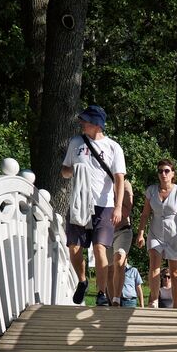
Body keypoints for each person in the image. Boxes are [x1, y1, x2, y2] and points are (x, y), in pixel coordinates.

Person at [61, 105, 127, 306]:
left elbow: (119, 179)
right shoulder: (75, 142)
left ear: (97, 125)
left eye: (86, 120)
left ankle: (100, 292)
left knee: (99, 249)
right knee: (74, 247)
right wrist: (73, 170)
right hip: (80, 202)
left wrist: (117, 206)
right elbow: (64, 171)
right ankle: (82, 281)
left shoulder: (113, 147)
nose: (82, 123)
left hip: (104, 204)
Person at [136, 159, 177, 310]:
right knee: (154, 265)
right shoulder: (151, 191)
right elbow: (145, 215)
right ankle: (154, 300)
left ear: (173, 173)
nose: (163, 174)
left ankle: (176, 304)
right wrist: (141, 234)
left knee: (175, 272)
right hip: (155, 232)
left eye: (167, 171)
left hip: (174, 234)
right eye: (161, 171)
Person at [108, 177, 135, 308]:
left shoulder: (125, 185)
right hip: (105, 231)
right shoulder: (99, 180)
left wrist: (111, 200)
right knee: (108, 268)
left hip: (123, 230)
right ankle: (110, 301)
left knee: (119, 260)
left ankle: (116, 300)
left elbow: (125, 211)